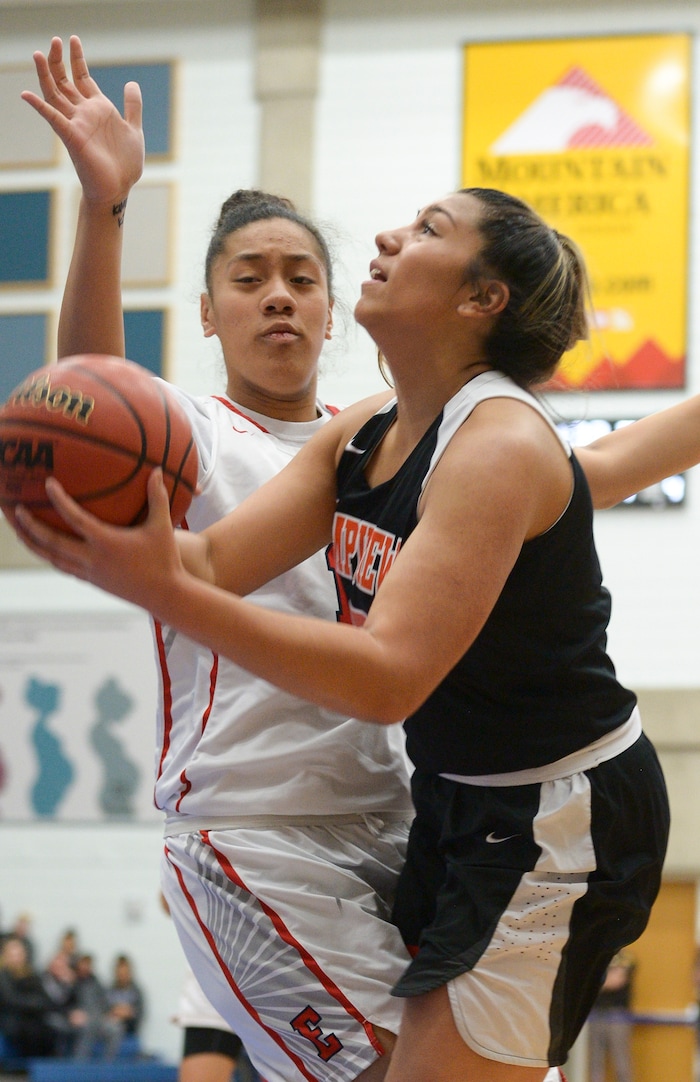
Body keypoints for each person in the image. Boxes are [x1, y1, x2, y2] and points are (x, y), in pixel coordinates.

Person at [19, 37, 700, 1082]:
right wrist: (126, 558)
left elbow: (387, 668)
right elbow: (159, 495)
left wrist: (155, 581)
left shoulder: (485, 442)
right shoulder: (324, 431)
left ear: (475, 303)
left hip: (524, 802)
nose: (384, 234)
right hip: (317, 816)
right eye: (249, 277)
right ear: (207, 312)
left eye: (424, 228)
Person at [22, 36, 415, 1082]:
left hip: (387, 811)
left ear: (332, 312)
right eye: (250, 278)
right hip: (254, 824)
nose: (278, 294)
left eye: (300, 277)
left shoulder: (376, 443)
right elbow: (83, 389)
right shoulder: (183, 430)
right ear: (208, 313)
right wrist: (107, 209)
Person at [0, 934, 60, 1057]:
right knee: (32, 1031)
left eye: (19, 954)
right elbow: (11, 1000)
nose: (17, 958)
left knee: (51, 1029)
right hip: (12, 1019)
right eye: (13, 954)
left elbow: (45, 998)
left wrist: (35, 1003)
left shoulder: (32, 974)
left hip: (34, 1018)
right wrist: (35, 1003)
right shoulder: (3, 976)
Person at [587, 952, 636, 1082]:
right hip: (595, 1013)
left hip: (617, 1015)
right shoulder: (597, 957)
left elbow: (616, 981)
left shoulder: (626, 959)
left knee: (621, 1060)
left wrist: (600, 982)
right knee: (595, 1061)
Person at [69, 953, 125, 1061]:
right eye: (83, 964)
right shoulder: (72, 983)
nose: (85, 967)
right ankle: (79, 1065)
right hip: (81, 1021)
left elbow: (105, 1004)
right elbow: (65, 1003)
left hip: (99, 1019)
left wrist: (110, 1014)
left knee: (116, 1028)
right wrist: (73, 1014)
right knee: (87, 1026)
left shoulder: (97, 983)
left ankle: (107, 1064)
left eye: (88, 964)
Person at [106, 953, 144, 1040]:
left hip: (129, 1029)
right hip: (110, 1028)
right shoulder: (109, 990)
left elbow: (140, 1013)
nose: (122, 976)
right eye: (120, 973)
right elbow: (103, 1009)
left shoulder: (136, 991)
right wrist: (115, 1011)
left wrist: (128, 1013)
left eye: (125, 973)